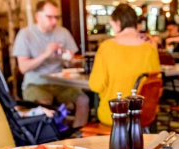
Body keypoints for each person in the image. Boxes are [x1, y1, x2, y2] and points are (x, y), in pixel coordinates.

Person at [13, 0, 90, 128]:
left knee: (84, 100)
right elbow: (23, 68)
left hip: (61, 83)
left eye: (56, 17)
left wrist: (70, 59)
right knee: (45, 103)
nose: (54, 21)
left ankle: (78, 136)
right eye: (50, 17)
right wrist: (45, 54)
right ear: (38, 16)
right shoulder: (25, 34)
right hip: (35, 83)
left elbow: (74, 63)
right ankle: (49, 138)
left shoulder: (63, 32)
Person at [89, 4, 160, 126]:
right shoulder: (150, 49)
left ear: (117, 23)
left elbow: (96, 85)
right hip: (142, 115)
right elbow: (156, 86)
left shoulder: (106, 47)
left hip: (114, 115)